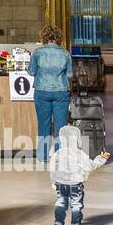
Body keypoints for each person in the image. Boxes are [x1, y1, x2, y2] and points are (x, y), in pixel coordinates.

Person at [48, 124, 110, 225]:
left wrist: (53, 181)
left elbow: (52, 168)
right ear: (77, 139)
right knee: (76, 204)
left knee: (61, 202)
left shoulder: (57, 153)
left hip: (60, 183)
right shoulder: (80, 154)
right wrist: (101, 159)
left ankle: (58, 224)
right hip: (75, 184)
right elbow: (90, 166)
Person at [28, 25, 72, 160]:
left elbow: (31, 72)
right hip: (61, 91)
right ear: (58, 38)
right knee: (61, 125)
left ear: (44, 37)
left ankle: (43, 156)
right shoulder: (65, 53)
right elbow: (69, 74)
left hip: (42, 91)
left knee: (44, 124)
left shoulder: (37, 53)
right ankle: (60, 156)